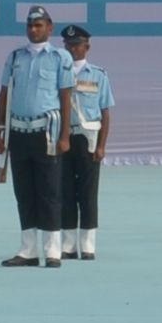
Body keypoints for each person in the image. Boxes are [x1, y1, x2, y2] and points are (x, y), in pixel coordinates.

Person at [0, 3, 71, 265]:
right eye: (30, 25)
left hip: (46, 132)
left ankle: (52, 249)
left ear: (49, 28)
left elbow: (65, 98)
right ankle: (27, 250)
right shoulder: (16, 57)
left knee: (49, 192)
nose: (33, 29)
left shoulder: (60, 58)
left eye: (39, 25)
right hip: (19, 131)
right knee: (24, 191)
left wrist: (65, 135)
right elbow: (5, 94)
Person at [58, 25, 112, 257]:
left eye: (76, 45)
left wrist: (101, 145)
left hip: (88, 138)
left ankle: (88, 244)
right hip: (64, 136)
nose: (72, 49)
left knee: (88, 193)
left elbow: (105, 111)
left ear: (86, 47)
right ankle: (68, 245)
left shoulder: (98, 74)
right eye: (68, 45)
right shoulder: (58, 72)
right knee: (65, 192)